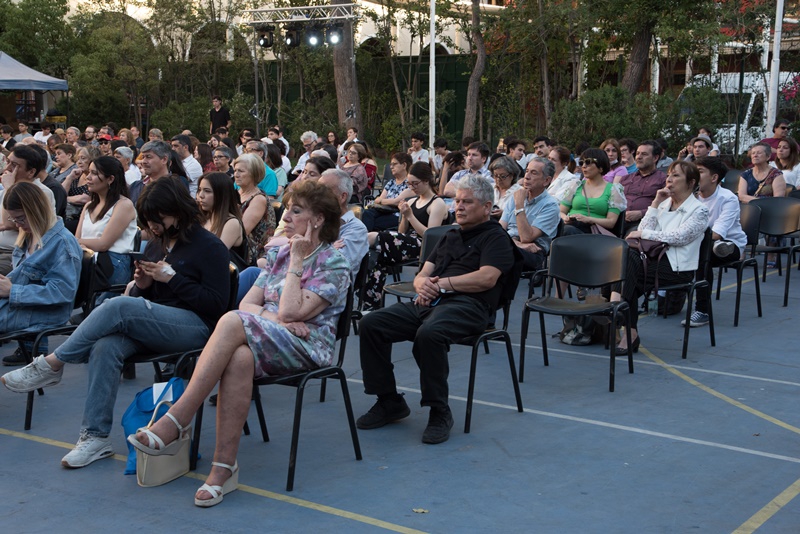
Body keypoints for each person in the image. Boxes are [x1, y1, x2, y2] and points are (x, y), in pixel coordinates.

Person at [126, 180, 349, 507]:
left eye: (296, 211)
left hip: (308, 347)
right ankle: (223, 468)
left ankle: (176, 419)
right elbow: (248, 304)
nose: (285, 217)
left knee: (231, 321)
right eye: (287, 209)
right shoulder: (279, 253)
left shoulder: (333, 262)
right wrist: (274, 319)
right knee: (239, 357)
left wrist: (297, 262)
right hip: (268, 335)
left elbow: (289, 310)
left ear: (318, 219)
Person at [1, 177, 230, 469]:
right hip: (158, 322)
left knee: (118, 305)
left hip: (197, 328)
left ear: (177, 212)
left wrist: (172, 278)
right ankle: (95, 437)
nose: (152, 227)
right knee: (106, 346)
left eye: (157, 219)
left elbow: (216, 305)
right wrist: (143, 286)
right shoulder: (158, 245)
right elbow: (150, 298)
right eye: (148, 221)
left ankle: (52, 364)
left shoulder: (209, 246)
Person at [356, 174, 517, 445]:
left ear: (487, 207)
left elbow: (487, 278)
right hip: (431, 302)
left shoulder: (496, 238)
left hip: (470, 306)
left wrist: (441, 285)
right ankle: (389, 401)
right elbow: (423, 273)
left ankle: (439, 410)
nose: (459, 207)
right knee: (372, 324)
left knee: (430, 334)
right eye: (458, 201)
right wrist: (422, 286)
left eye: (467, 202)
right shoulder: (450, 235)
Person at [613, 161, 710, 354]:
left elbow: (680, 237)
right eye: (669, 175)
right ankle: (624, 322)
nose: (669, 179)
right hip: (651, 260)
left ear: (691, 182)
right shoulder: (664, 204)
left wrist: (646, 234)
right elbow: (642, 229)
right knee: (626, 264)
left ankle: (617, 309)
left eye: (676, 176)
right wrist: (655, 203)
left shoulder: (699, 210)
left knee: (622, 274)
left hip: (677, 268)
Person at [363, 162, 448, 309]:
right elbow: (402, 232)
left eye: (415, 183)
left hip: (424, 247)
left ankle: (359, 285)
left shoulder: (437, 203)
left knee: (374, 239)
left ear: (426, 181)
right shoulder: (413, 201)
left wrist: (410, 216)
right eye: (409, 184)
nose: (412, 187)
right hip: (406, 242)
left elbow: (430, 236)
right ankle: (370, 304)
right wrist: (404, 216)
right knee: (375, 256)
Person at [0, 182, 81, 334]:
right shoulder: (28, 236)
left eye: (21, 219)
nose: (18, 225)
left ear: (35, 211)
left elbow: (63, 292)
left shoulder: (62, 243)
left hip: (44, 313)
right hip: (24, 306)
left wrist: (12, 290)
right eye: (14, 220)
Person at [683, 157, 747, 328]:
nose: (694, 175)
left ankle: (702, 311)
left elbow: (717, 233)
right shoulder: (690, 196)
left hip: (730, 244)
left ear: (714, 177)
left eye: (700, 171)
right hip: (697, 242)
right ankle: (666, 298)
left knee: (703, 255)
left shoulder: (728, 198)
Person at [75, 155, 137, 292]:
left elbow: (103, 244)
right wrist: (77, 242)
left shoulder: (123, 205)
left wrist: (77, 242)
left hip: (111, 262)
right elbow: (77, 238)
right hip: (87, 259)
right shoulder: (88, 206)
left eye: (94, 173)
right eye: (89, 172)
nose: (88, 177)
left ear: (110, 179)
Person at [500, 157, 561, 272]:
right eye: (527, 171)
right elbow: (499, 230)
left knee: (499, 253)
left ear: (546, 180)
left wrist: (519, 205)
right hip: (510, 245)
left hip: (533, 253)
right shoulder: (516, 196)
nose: (526, 176)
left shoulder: (551, 206)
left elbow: (526, 237)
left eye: (534, 173)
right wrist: (516, 244)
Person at [560, 148, 626, 235]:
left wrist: (588, 219)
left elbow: (611, 222)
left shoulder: (613, 190)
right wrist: (566, 218)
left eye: (588, 162)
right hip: (571, 226)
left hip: (595, 233)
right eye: (581, 163)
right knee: (566, 229)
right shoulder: (576, 185)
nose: (583, 166)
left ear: (600, 167)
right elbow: (561, 211)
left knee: (568, 230)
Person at [616, 140, 667, 235]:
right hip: (618, 221)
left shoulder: (663, 180)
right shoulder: (625, 178)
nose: (639, 157)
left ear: (655, 158)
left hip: (642, 224)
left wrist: (641, 213)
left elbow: (666, 207)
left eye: (644, 154)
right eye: (637, 153)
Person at [234, 153, 275, 265]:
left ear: (254, 174)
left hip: (251, 253)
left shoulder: (258, 199)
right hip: (234, 246)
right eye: (235, 170)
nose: (236, 174)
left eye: (241, 171)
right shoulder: (236, 193)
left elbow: (241, 233)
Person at [196, 172, 246, 262]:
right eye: (199, 190)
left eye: (207, 191)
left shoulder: (231, 223)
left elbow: (214, 256)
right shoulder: (202, 217)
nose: (201, 195)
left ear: (221, 194)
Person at [361, 153, 415, 232]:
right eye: (391, 164)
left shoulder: (410, 183)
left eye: (394, 164)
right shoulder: (391, 182)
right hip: (384, 210)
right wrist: (384, 201)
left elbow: (396, 202)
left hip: (397, 214)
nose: (391, 167)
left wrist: (382, 201)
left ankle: (364, 237)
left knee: (373, 223)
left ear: (404, 165)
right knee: (367, 213)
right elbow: (379, 200)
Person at [62, 146, 98, 228]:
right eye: (78, 159)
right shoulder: (77, 175)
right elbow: (61, 193)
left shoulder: (95, 178)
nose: (79, 162)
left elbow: (84, 199)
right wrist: (69, 178)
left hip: (82, 217)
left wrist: (65, 198)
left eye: (83, 158)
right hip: (67, 214)